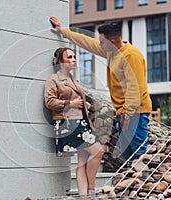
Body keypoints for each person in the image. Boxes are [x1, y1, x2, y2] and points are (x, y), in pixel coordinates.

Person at [49, 16, 152, 161]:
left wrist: (128, 115)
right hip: (124, 111)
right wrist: (63, 31)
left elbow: (135, 88)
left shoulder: (131, 56)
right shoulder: (111, 51)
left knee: (139, 153)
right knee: (127, 155)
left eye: (102, 42)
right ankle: (131, 181)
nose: (100, 45)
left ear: (113, 42)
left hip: (135, 112)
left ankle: (144, 180)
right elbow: (87, 42)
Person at [44, 47, 104, 195]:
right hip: (69, 123)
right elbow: (49, 101)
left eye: (74, 57)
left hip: (81, 121)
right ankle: (90, 188)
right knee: (98, 151)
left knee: (82, 161)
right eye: (69, 57)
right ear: (60, 62)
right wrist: (69, 103)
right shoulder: (54, 79)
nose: (74, 60)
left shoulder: (73, 79)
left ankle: (84, 196)